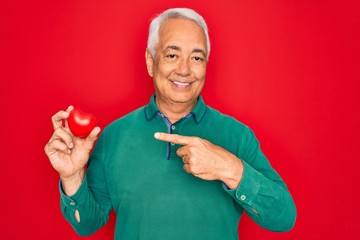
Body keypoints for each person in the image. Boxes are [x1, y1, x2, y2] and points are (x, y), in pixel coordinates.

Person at [44, 8, 296, 240]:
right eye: (172, 55)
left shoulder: (237, 136)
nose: (184, 70)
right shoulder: (114, 136)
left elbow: (284, 218)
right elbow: (87, 224)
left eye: (197, 58)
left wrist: (230, 168)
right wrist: (72, 175)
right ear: (150, 62)